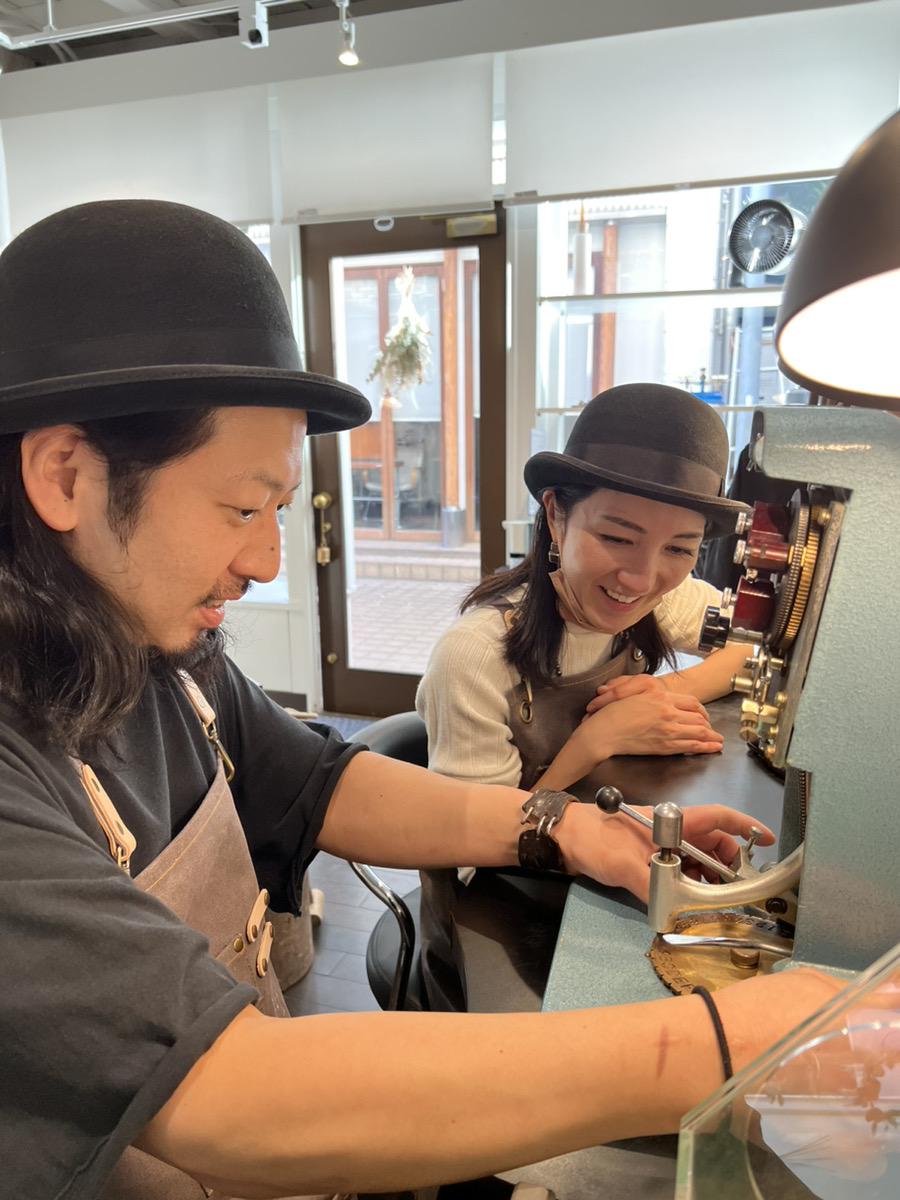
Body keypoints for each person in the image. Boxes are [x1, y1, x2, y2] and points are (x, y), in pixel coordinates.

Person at [0, 199, 839, 1200]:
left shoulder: (157, 657)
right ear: (66, 476)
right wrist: (721, 1044)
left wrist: (562, 826)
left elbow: (323, 784)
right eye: (241, 506)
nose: (266, 560)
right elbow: (230, 1095)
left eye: (278, 510)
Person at [416, 384, 757, 1011]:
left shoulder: (652, 600)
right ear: (556, 515)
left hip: (600, 880)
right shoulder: (476, 657)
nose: (642, 577)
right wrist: (597, 738)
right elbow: (472, 851)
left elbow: (751, 643)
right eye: (618, 537)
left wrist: (664, 689)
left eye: (679, 549)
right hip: (495, 930)